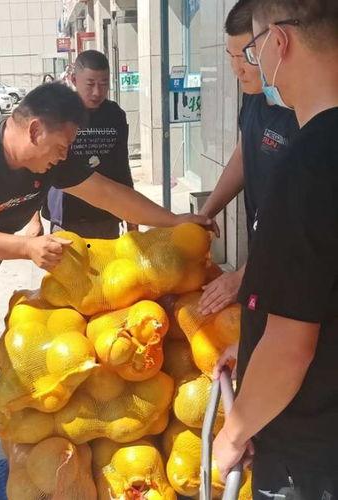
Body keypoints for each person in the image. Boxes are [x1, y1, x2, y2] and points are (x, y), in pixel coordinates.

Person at [0, 82, 213, 500]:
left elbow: (108, 194)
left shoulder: (48, 162)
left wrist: (174, 222)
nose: (64, 156)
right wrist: (27, 247)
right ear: (35, 130)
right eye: (62, 146)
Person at [213, 1, 338, 498]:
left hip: (308, 457)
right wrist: (251, 344)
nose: (251, 64)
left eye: (254, 49)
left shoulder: (308, 164)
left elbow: (290, 347)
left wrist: (233, 433)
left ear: (279, 43)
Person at [199, 0, 299, 316]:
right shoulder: (255, 97)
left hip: (293, 264)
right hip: (260, 252)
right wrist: (207, 212)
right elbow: (244, 154)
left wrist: (242, 276)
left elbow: (301, 216)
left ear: (276, 45)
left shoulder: (306, 113)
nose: (237, 69)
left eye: (246, 57)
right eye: (231, 57)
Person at [27, 50, 138, 239]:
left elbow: (122, 167)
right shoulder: (57, 115)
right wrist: (33, 219)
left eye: (103, 84)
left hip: (106, 216)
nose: (97, 92)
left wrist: (131, 215)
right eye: (90, 84)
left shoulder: (115, 115)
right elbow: (34, 168)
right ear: (74, 79)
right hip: (66, 218)